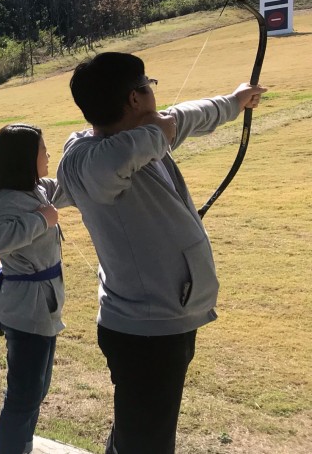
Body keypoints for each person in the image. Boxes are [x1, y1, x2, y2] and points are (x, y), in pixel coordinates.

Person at [56, 52, 267, 454]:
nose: (155, 96)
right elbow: (125, 155)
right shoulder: (86, 158)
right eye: (148, 87)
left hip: (160, 319)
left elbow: (184, 116)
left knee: (137, 432)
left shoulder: (141, 138)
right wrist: (160, 130)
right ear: (135, 99)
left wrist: (234, 101)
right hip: (145, 329)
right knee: (146, 444)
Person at [0, 124, 71, 454]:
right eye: (42, 149)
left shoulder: (36, 189)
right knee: (23, 396)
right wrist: (42, 220)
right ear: (23, 159)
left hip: (42, 307)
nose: (48, 154)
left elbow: (68, 186)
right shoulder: (9, 201)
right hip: (27, 311)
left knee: (36, 389)